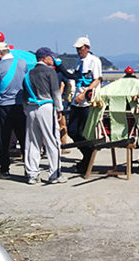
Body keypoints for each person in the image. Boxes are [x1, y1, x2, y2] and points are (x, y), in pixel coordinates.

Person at [58, 37, 102, 174]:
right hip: (76, 100)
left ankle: (87, 157)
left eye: (81, 49)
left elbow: (97, 80)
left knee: (84, 130)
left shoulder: (94, 61)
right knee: (72, 130)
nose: (79, 51)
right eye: (77, 49)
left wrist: (84, 94)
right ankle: (88, 154)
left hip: (88, 100)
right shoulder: (78, 62)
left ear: (87, 48)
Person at [23, 47, 65, 185]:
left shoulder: (28, 73)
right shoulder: (50, 72)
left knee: (32, 142)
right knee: (52, 140)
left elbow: (24, 95)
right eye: (50, 57)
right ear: (43, 58)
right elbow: (56, 93)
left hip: (31, 107)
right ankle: (55, 174)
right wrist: (59, 109)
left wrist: (26, 110)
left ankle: (32, 174)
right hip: (46, 106)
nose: (52, 59)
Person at [0, 42, 28, 178]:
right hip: (20, 105)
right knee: (23, 138)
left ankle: (4, 168)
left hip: (4, 106)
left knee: (4, 139)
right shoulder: (22, 63)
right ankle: (29, 169)